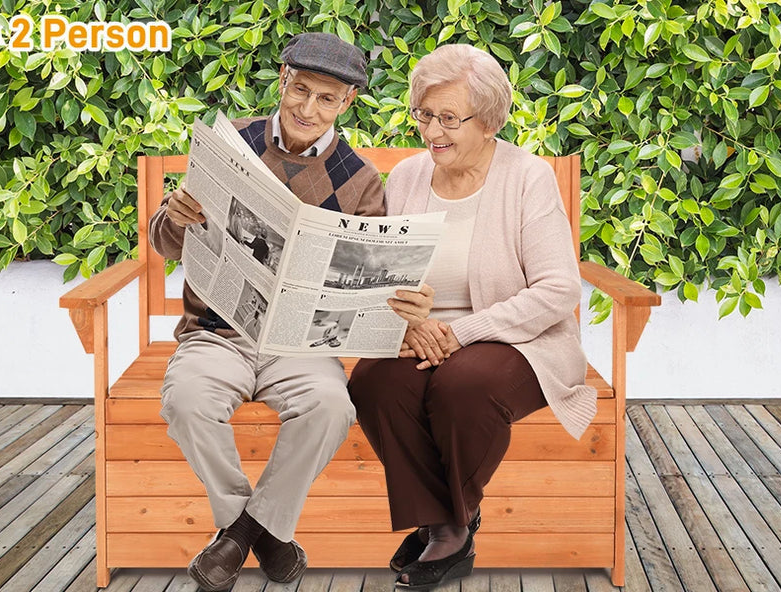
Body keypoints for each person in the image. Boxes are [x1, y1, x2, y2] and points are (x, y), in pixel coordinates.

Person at [149, 32, 434, 592]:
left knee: (331, 407)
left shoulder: (361, 179)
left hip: (301, 346)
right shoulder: (233, 144)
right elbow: (166, 243)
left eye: (326, 99)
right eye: (299, 90)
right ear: (282, 79)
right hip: (217, 334)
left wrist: (402, 300)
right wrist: (175, 217)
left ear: (346, 102)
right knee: (185, 401)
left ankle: (239, 537)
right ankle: (266, 535)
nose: (308, 109)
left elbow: (373, 285)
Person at [348, 44, 597, 590]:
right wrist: (411, 322)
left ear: (488, 122)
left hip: (519, 340)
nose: (431, 131)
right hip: (422, 335)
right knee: (373, 381)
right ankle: (448, 522)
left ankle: (446, 532)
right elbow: (389, 275)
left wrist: (460, 333)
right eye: (423, 114)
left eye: (448, 119)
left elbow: (558, 290)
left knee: (463, 385)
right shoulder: (409, 178)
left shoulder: (527, 177)